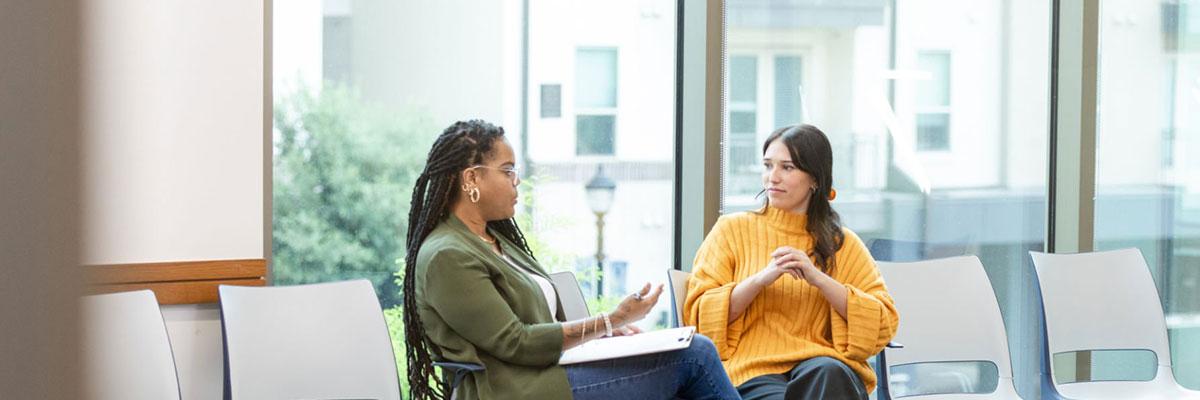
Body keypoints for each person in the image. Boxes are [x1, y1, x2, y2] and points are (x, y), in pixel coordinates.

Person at [401, 119, 740, 400]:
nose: (516, 182)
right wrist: (610, 320)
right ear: (471, 178)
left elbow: (539, 321)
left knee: (682, 367)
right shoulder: (447, 255)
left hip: (552, 372)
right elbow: (515, 342)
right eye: (506, 171)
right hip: (516, 390)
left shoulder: (493, 239)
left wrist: (603, 336)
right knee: (694, 355)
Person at [684, 124, 899, 400]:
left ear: (815, 179)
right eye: (767, 165)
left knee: (829, 372)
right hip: (753, 372)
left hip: (825, 370)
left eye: (787, 168)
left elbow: (882, 323)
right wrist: (762, 278)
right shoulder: (731, 230)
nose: (772, 177)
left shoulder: (843, 244)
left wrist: (818, 278)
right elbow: (700, 316)